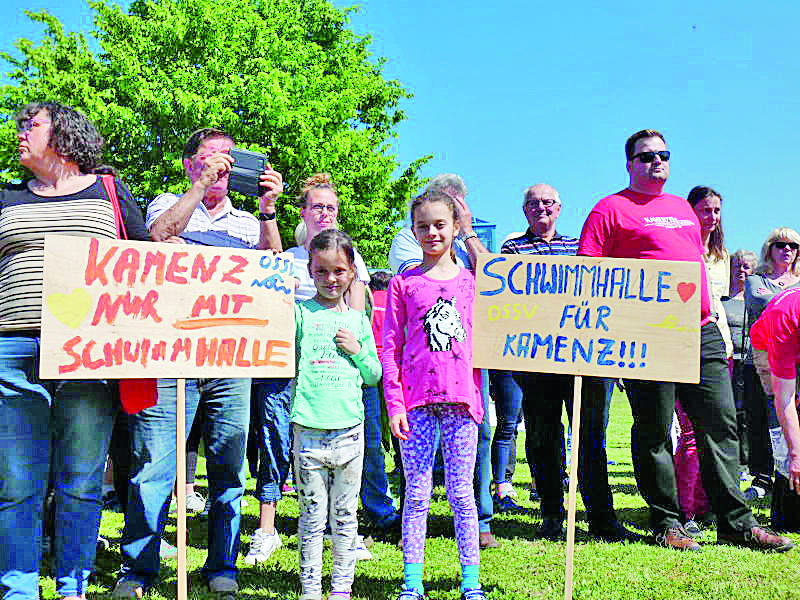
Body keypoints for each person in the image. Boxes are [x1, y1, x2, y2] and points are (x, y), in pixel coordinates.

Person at [578, 128, 794, 553]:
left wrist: (715, 318)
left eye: (663, 155)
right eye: (645, 157)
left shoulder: (681, 208)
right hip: (647, 335)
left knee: (722, 425)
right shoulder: (610, 209)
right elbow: (590, 273)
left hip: (701, 331)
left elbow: (695, 266)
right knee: (655, 430)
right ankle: (667, 522)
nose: (655, 162)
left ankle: (736, 523)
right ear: (629, 164)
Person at [113, 127, 284, 599]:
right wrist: (197, 188)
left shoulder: (247, 223)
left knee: (228, 468)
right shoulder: (167, 200)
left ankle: (222, 565)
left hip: (230, 358)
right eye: (212, 159)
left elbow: (273, 269)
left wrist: (269, 211)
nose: (223, 168)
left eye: (230, 160)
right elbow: (157, 237)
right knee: (154, 466)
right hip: (170, 357)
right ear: (190, 164)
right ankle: (139, 567)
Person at [0, 101, 150, 600]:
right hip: (12, 350)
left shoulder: (108, 194)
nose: (19, 132)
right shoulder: (6, 199)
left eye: (31, 125)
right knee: (18, 481)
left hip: (90, 357)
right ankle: (17, 590)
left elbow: (145, 264)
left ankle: (72, 588)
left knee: (82, 480)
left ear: (62, 135)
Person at [244, 173, 379, 565]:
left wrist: (349, 350)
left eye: (331, 208)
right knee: (274, 442)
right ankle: (266, 530)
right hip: (286, 367)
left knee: (345, 450)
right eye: (317, 206)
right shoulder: (287, 258)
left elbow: (355, 314)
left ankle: (344, 532)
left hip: (334, 371)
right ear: (303, 213)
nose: (325, 213)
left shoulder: (350, 258)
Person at [502, 184, 636, 542]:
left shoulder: (580, 246)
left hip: (582, 360)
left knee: (590, 437)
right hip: (535, 360)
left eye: (547, 202)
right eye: (533, 203)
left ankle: (600, 516)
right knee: (544, 439)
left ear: (559, 208)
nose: (541, 208)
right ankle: (551, 512)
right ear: (524, 210)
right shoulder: (512, 249)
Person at [383, 188, 487, 600]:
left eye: (440, 225)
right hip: (416, 404)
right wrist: (395, 404)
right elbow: (388, 346)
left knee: (463, 494)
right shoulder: (403, 284)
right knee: (417, 493)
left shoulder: (474, 283)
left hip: (464, 403)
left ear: (456, 228)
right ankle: (412, 581)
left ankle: (471, 580)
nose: (431, 233)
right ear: (413, 229)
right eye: (422, 226)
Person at [292, 228, 381, 600]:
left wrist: (357, 349)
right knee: (312, 518)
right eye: (322, 272)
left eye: (339, 272)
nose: (331, 279)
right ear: (310, 272)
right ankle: (310, 589)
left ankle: (341, 590)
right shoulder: (300, 314)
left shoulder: (359, 322)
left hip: (349, 434)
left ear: (351, 273)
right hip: (308, 431)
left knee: (345, 518)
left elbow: (373, 374)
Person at [673, 186, 731, 535]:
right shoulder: (679, 246)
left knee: (718, 429)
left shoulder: (721, 254)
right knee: (690, 432)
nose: (711, 217)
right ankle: (687, 509)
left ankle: (711, 504)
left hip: (717, 343)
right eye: (705, 210)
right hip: (681, 342)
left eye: (717, 211)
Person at [743, 228, 800, 502]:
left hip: (793, 342)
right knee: (773, 415)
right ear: (770, 248)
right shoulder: (756, 279)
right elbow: (760, 300)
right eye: (781, 244)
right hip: (767, 350)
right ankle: (772, 476)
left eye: (793, 245)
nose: (787, 250)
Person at [748, 287, 800, 531]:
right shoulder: (784, 319)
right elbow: (785, 398)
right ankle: (786, 506)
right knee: (782, 425)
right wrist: (796, 457)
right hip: (766, 344)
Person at [722, 249, 759, 478]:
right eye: (736, 266)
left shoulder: (756, 300)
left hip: (750, 363)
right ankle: (731, 460)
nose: (741, 271)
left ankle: (746, 462)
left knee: (747, 414)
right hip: (726, 361)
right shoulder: (722, 299)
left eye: (746, 266)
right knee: (729, 412)